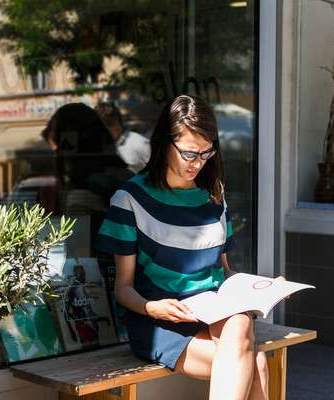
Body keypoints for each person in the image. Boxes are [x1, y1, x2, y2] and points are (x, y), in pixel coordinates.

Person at [95, 95, 269, 400]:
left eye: (206, 153)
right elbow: (122, 288)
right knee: (255, 362)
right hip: (159, 321)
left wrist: (255, 289)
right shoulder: (130, 198)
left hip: (214, 313)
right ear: (164, 143)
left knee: (241, 324)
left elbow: (223, 271)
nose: (198, 163)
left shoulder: (213, 197)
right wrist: (153, 307)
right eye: (189, 153)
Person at [95, 102, 151, 174]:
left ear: (118, 121)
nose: (106, 129)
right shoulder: (103, 147)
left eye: (109, 123)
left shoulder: (139, 143)